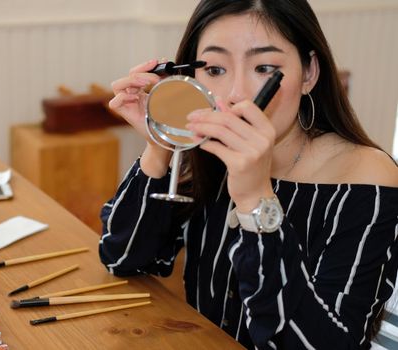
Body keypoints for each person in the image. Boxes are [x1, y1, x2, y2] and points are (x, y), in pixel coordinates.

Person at [99, 0, 398, 349]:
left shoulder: (366, 177)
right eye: (214, 69)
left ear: (309, 73)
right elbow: (122, 260)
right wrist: (160, 145)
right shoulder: (208, 153)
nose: (237, 93)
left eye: (264, 67)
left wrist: (257, 201)